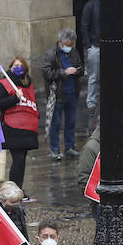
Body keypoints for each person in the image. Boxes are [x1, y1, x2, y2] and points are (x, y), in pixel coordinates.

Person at [0, 57, 39, 187]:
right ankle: (14, 189)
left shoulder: (28, 83)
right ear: (10, 68)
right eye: (15, 65)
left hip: (28, 128)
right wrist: (15, 98)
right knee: (18, 160)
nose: (18, 67)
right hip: (13, 128)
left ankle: (18, 189)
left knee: (21, 161)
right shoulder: (5, 83)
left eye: (21, 65)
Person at [42, 28, 84, 160]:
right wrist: (63, 72)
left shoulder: (74, 52)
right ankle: (55, 149)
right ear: (60, 42)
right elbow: (46, 73)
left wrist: (77, 71)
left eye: (71, 45)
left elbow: (81, 67)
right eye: (67, 45)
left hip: (72, 93)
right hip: (58, 94)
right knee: (56, 123)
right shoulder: (51, 54)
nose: (69, 48)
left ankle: (70, 147)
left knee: (71, 122)